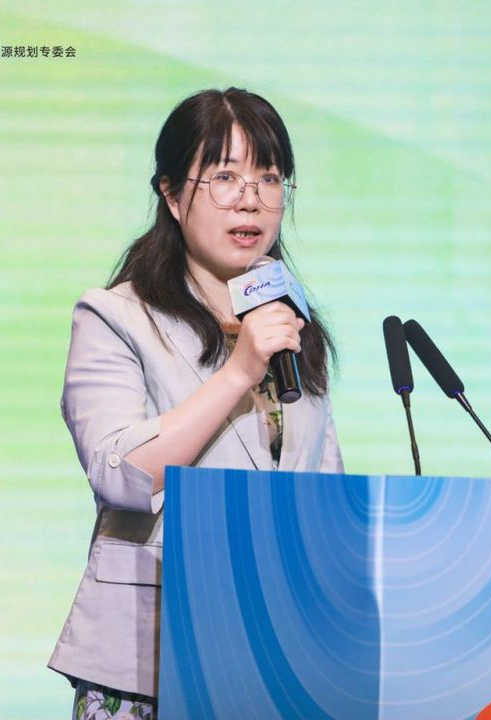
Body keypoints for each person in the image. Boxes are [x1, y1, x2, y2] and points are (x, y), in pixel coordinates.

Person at [48, 87, 344, 719]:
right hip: (150, 656)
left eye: (269, 177)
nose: (251, 199)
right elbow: (119, 475)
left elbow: (321, 491)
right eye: (225, 177)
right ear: (172, 195)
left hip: (271, 655)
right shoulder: (115, 317)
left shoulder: (291, 325)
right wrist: (239, 372)